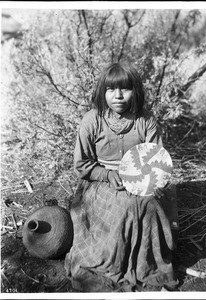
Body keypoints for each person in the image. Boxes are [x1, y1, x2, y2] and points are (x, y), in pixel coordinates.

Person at [65, 62, 179, 292]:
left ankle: (144, 265)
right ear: (102, 92)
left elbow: (156, 158)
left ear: (135, 91)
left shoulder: (145, 120)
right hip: (100, 181)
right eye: (110, 89)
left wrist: (155, 182)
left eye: (125, 89)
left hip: (141, 177)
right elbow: (82, 164)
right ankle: (114, 262)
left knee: (148, 205)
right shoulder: (92, 120)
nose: (118, 96)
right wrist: (107, 174)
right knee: (125, 206)